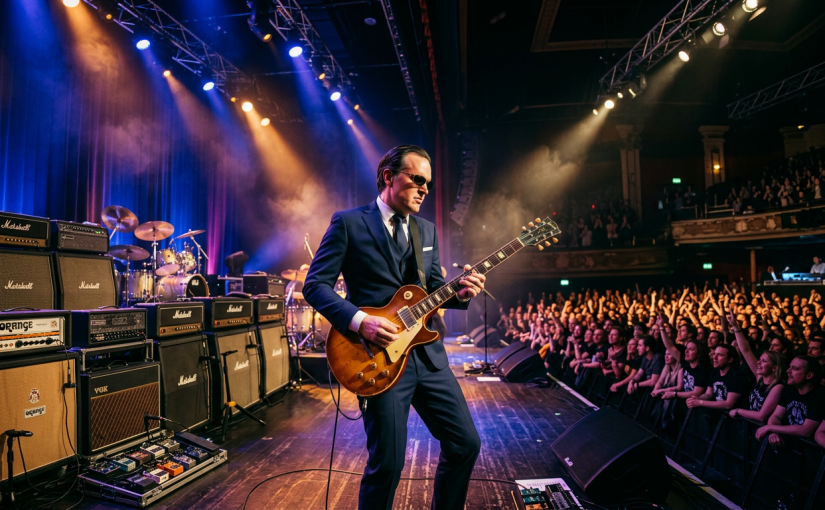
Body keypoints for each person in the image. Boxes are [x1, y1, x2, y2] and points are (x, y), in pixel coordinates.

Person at [303, 145, 486, 510]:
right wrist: (360, 321)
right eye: (417, 180)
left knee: (465, 444)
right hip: (379, 361)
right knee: (387, 464)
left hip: (428, 359)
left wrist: (461, 292)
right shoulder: (349, 222)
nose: (424, 190)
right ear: (389, 176)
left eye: (428, 184)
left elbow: (434, 290)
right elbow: (315, 285)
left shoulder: (426, 230)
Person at [755, 356, 825, 446]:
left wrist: (769, 428)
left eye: (795, 368)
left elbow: (806, 430)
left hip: (807, 452)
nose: (788, 371)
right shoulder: (790, 389)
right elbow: (776, 416)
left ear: (809, 375)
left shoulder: (820, 395)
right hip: (787, 447)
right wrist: (773, 432)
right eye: (790, 367)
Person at [686, 345, 745, 411]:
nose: (714, 357)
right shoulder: (715, 372)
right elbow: (708, 394)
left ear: (730, 359)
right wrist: (698, 398)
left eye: (720, 355)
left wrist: (700, 402)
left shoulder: (737, 375)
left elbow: (728, 404)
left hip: (732, 417)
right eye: (714, 354)